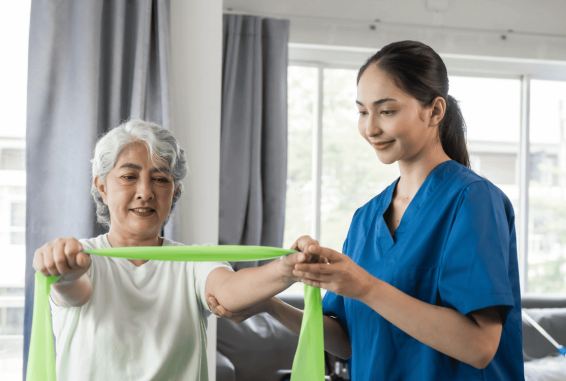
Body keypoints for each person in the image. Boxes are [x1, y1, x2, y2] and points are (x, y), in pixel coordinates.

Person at [207, 41, 524, 380]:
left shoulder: (473, 201)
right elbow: (349, 343)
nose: (370, 128)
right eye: (362, 111)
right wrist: (269, 304)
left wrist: (365, 287)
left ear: (434, 111)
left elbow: (479, 347)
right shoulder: (366, 218)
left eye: (386, 111)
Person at [32, 119, 317, 381]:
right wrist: (65, 273)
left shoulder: (192, 262)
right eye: (129, 176)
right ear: (102, 187)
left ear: (175, 191)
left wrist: (286, 268)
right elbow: (73, 290)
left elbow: (229, 292)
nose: (145, 191)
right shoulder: (82, 258)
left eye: (160, 179)